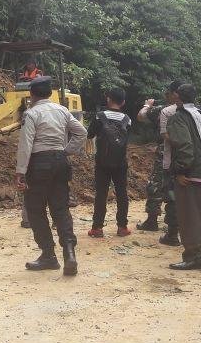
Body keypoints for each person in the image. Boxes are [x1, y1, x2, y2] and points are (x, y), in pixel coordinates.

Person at [15, 76, 86, 275]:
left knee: (36, 210)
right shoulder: (62, 110)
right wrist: (66, 151)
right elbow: (81, 132)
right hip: (60, 162)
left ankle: (48, 255)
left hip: (39, 164)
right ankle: (69, 254)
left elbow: (26, 144)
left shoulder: (31, 114)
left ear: (32, 94)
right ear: (50, 93)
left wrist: (20, 171)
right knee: (61, 209)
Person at [166, 84, 201, 271]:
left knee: (189, 217)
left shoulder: (179, 118)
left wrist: (180, 171)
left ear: (176, 96)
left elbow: (184, 147)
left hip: (190, 174)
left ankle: (193, 256)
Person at [136, 80, 182, 245]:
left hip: (166, 152)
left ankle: (153, 220)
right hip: (186, 154)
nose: (165, 95)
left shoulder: (164, 110)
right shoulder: (193, 110)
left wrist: (147, 105)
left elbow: (141, 116)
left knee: (156, 184)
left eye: (168, 92)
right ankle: (181, 224)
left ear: (174, 93)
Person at [87, 87, 132, 238]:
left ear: (108, 99)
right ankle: (122, 227)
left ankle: (97, 228)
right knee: (122, 193)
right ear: (124, 102)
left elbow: (90, 134)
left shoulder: (100, 116)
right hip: (120, 162)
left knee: (101, 193)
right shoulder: (127, 119)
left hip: (102, 161)